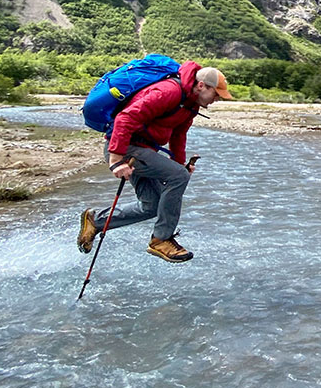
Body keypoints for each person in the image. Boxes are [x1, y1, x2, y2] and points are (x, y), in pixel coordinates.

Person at [77, 62, 232, 262]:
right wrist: (116, 160)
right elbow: (125, 118)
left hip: (141, 150)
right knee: (179, 176)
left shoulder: (190, 105)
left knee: (152, 206)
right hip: (126, 149)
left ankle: (95, 221)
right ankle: (161, 239)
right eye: (216, 94)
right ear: (202, 86)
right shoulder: (168, 91)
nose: (217, 99)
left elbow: (178, 136)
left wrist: (179, 164)